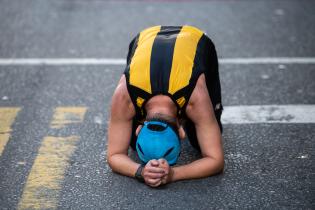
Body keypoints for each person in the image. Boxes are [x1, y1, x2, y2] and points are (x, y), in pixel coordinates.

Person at [107, 25, 224, 187]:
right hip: (145, 37)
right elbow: (114, 155)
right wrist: (141, 170)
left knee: (198, 142)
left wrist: (174, 174)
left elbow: (216, 161)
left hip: (195, 39)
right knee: (133, 143)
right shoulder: (124, 96)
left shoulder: (195, 99)